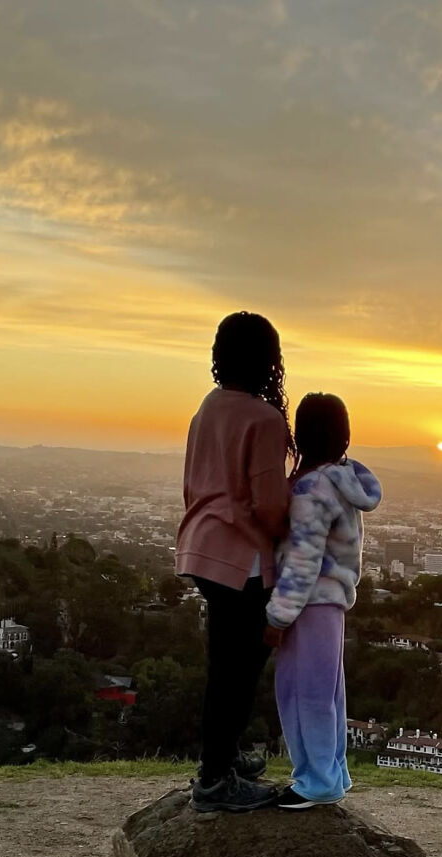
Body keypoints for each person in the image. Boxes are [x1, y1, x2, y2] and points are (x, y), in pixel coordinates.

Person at [176, 311, 294, 812]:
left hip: (202, 548)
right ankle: (215, 780)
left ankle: (223, 758)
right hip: (241, 559)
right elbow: (269, 505)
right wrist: (297, 528)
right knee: (239, 672)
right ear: (268, 360)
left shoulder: (208, 408)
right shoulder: (263, 418)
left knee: (224, 664)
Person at [264, 393, 382, 809]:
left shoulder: (311, 489)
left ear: (300, 437)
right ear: (344, 437)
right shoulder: (343, 482)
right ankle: (332, 772)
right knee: (327, 693)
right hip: (331, 604)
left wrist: (278, 617)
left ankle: (316, 782)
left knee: (301, 693)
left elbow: (303, 560)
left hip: (308, 604)